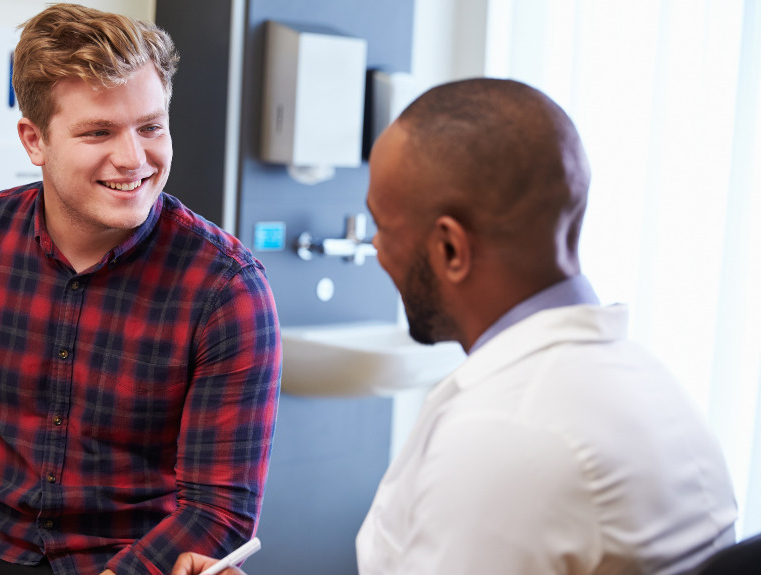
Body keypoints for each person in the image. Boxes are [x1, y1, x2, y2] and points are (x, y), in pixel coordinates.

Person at [173, 78, 738, 575]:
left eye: (383, 226)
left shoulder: (507, 433)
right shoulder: (648, 382)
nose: (375, 247)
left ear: (450, 248)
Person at [0, 4, 281, 575]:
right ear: (33, 140)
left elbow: (219, 510)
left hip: (140, 563)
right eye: (98, 131)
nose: (134, 159)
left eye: (151, 126)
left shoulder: (226, 290)